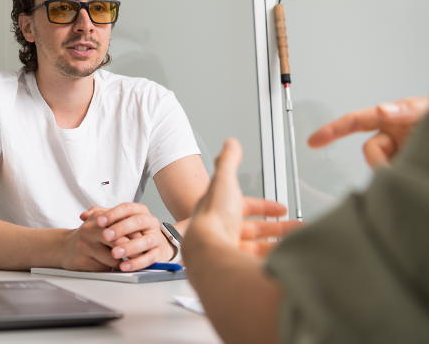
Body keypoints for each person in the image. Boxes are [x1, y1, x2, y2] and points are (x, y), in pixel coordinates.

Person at [0, 0, 210, 272]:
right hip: (12, 296)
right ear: (28, 28)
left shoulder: (150, 102)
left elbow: (212, 220)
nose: (86, 24)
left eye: (100, 8)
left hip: (116, 293)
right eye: (64, 8)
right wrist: (67, 247)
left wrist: (165, 242)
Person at [183, 96, 429, 344]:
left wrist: (202, 244)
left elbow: (302, 324)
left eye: (300, 124)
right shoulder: (282, 167)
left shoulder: (338, 170)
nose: (294, 131)